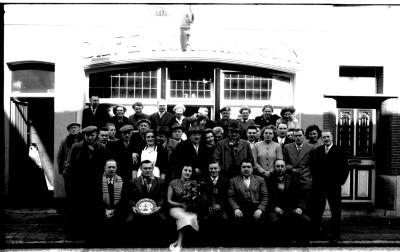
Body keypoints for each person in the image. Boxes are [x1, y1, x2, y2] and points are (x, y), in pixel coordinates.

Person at [64, 125, 107, 240]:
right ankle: (78, 233)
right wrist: (70, 182)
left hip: (96, 184)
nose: (90, 138)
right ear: (84, 135)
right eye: (87, 135)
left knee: (95, 209)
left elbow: (104, 166)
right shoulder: (76, 147)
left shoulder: (101, 147)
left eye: (92, 135)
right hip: (80, 184)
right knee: (79, 209)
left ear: (96, 135)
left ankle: (93, 233)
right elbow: (69, 165)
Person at [311, 131, 349, 243]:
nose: (326, 139)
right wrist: (316, 182)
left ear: (332, 138)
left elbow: (345, 168)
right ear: (321, 139)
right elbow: (313, 168)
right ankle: (316, 234)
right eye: (324, 137)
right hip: (320, 186)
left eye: (328, 137)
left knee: (336, 211)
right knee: (318, 211)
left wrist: (340, 182)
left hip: (334, 186)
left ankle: (335, 235)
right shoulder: (318, 151)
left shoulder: (340, 150)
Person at [268, 159, 312, 244]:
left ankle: (302, 247)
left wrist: (300, 207)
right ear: (274, 167)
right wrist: (274, 207)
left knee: (306, 220)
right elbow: (267, 197)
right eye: (277, 166)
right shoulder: (269, 180)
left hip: (292, 208)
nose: (280, 168)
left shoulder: (293, 179)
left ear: (285, 168)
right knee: (274, 221)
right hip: (276, 209)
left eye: (282, 166)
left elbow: (301, 195)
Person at [126, 160, 167, 245]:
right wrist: (133, 206)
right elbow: (129, 197)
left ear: (152, 168)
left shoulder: (160, 182)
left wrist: (159, 206)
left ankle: (156, 244)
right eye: (145, 168)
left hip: (155, 210)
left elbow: (163, 197)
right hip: (138, 211)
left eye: (149, 168)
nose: (147, 170)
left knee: (163, 219)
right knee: (129, 220)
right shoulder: (133, 182)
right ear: (141, 168)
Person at [227, 159, 268, 246]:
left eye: (248, 167)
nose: (246, 169)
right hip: (240, 207)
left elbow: (265, 196)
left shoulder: (260, 180)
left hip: (255, 207)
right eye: (244, 167)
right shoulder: (233, 180)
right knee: (236, 222)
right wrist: (236, 209)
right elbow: (231, 197)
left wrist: (260, 209)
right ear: (240, 168)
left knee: (261, 220)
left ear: (252, 168)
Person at [167, 165, 205, 251]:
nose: (187, 172)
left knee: (191, 217)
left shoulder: (194, 183)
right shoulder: (173, 182)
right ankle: (179, 245)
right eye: (185, 170)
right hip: (175, 208)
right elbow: (169, 200)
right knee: (183, 217)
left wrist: (193, 203)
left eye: (190, 171)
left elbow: (197, 198)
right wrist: (181, 204)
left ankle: (178, 242)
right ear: (181, 170)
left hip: (190, 209)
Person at [200, 162, 229, 246]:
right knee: (205, 219)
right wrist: (208, 206)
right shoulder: (203, 181)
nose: (213, 170)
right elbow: (201, 196)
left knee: (224, 218)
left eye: (215, 168)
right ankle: (208, 244)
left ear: (219, 169)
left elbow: (227, 196)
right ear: (208, 169)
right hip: (207, 207)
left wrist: (220, 205)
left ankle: (221, 244)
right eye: (211, 168)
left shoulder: (225, 181)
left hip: (221, 207)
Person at [100, 159, 125, 243]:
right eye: (109, 167)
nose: (111, 169)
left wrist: (115, 210)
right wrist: (105, 210)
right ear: (104, 168)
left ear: (116, 168)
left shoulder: (121, 180)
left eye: (113, 167)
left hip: (117, 210)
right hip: (102, 210)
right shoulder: (98, 181)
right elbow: (95, 199)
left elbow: (124, 199)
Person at [57, 122, 83, 197]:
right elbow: (60, 156)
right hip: (68, 169)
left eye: (75, 127)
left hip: (81, 168)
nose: (74, 129)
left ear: (79, 128)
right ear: (69, 130)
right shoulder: (65, 141)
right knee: (69, 189)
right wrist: (61, 169)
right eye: (71, 128)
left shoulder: (84, 139)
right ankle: (70, 205)